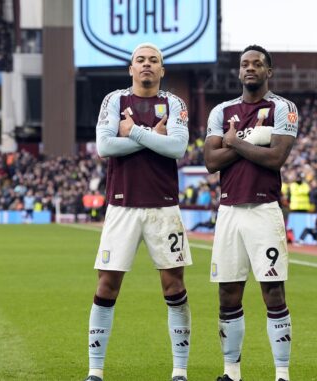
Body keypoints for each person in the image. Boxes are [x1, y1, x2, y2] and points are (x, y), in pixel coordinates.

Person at [85, 43, 192, 381]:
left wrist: (132, 132)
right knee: (106, 285)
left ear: (162, 70)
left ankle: (180, 370)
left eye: (153, 61)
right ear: (130, 69)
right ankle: (95, 370)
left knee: (173, 285)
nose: (147, 65)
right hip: (122, 205)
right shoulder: (114, 100)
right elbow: (105, 146)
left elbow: (176, 147)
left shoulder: (174, 103)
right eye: (140, 60)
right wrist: (150, 137)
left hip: (164, 207)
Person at [204, 45, 297, 381]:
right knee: (228, 292)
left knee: (273, 290)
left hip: (263, 209)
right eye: (245, 64)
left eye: (257, 64)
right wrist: (254, 139)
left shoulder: (283, 108)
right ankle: (231, 372)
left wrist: (234, 141)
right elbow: (211, 162)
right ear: (238, 71)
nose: (250, 68)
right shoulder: (221, 110)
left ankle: (282, 373)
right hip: (229, 211)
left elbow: (275, 159)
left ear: (268, 71)